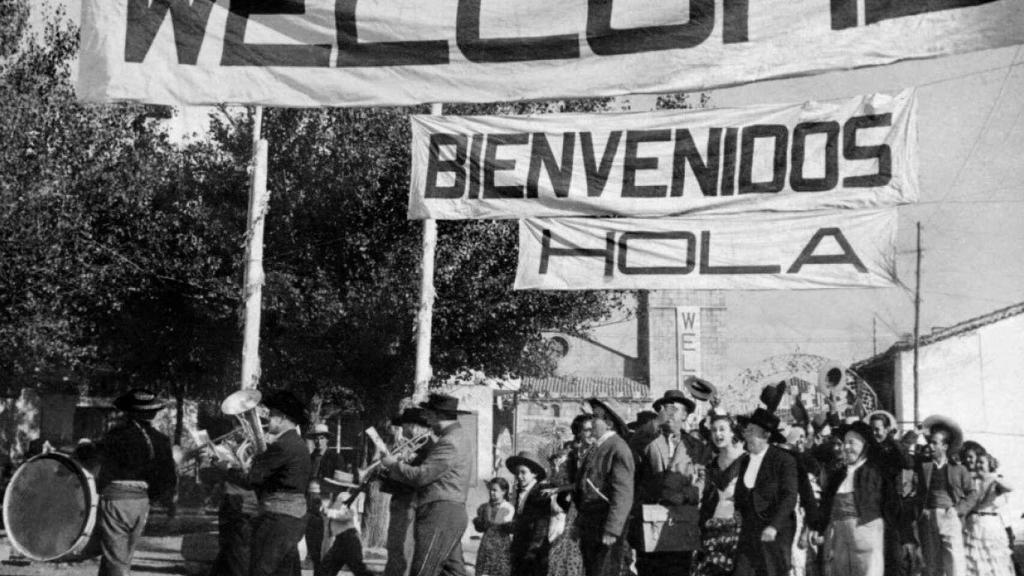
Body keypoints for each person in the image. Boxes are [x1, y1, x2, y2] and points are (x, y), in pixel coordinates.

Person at [219, 390, 311, 576]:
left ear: (282, 418)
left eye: (272, 415)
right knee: (285, 572)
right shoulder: (296, 443)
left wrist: (225, 467)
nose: (267, 419)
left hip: (278, 517)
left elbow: (250, 480)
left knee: (260, 570)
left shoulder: (282, 445)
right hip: (292, 518)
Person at [381, 393, 473, 576]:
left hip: (440, 514)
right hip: (448, 514)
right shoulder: (457, 437)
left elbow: (422, 476)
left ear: (439, 415)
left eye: (429, 416)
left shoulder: (450, 441)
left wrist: (393, 465)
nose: (428, 423)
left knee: (423, 571)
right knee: (453, 572)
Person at [94, 389, 178, 576]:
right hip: (141, 502)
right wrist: (153, 499)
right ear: (153, 413)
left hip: (117, 501)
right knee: (124, 555)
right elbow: (167, 477)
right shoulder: (161, 440)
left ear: (128, 412)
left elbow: (96, 460)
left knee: (116, 558)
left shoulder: (115, 435)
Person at [631, 390, 710, 576]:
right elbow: (634, 442)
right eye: (666, 409)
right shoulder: (649, 440)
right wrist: (656, 422)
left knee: (679, 569)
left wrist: (685, 496)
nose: (670, 414)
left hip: (681, 520)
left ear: (685, 415)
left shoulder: (696, 446)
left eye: (675, 409)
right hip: (650, 520)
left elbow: (703, 480)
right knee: (648, 570)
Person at [815, 421, 887, 576]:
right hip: (839, 535)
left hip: (866, 532)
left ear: (865, 445)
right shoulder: (838, 475)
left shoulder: (876, 471)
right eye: (844, 443)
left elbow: (890, 504)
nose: (846, 447)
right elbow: (827, 503)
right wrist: (818, 527)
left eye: (851, 443)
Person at [734, 407, 799, 576]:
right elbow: (742, 491)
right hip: (750, 530)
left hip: (774, 531)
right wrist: (738, 510)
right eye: (747, 431)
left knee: (772, 571)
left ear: (766, 435)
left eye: (752, 431)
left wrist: (774, 526)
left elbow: (789, 496)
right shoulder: (745, 461)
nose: (746, 435)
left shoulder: (784, 460)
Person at [574, 397, 634, 576]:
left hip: (605, 522)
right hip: (591, 522)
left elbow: (623, 493)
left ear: (609, 423)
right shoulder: (598, 447)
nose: (591, 422)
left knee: (604, 570)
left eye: (595, 417)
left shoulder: (618, 448)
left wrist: (612, 529)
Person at [915, 415, 978, 576]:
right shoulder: (923, 465)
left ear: (945, 446)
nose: (930, 446)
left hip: (950, 516)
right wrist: (915, 434)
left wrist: (957, 510)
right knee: (932, 564)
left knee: (954, 561)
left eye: (934, 443)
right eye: (930, 442)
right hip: (928, 517)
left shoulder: (959, 469)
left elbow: (972, 493)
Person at [382, 407, 435, 576]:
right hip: (401, 501)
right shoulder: (411, 446)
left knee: (402, 547)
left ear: (413, 426)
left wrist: (395, 465)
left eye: (404, 426)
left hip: (410, 502)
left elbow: (416, 478)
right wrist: (386, 470)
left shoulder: (426, 448)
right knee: (394, 547)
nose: (402, 430)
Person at [692, 412, 746, 576]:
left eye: (722, 429)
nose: (718, 434)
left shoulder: (745, 461)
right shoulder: (712, 464)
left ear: (732, 432)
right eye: (714, 430)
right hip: (713, 528)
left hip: (739, 529)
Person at [866, 411, 914, 576]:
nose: (874, 433)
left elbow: (907, 463)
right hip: (871, 505)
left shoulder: (893, 447)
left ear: (886, 429)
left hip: (891, 506)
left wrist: (893, 441)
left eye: (878, 429)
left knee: (894, 556)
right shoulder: (868, 449)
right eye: (872, 429)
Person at [964, 449, 1014, 576]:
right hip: (972, 524)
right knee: (973, 559)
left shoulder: (995, 481)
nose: (978, 465)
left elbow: (1010, 487)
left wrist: (993, 478)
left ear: (989, 465)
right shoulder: (972, 480)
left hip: (990, 524)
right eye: (977, 462)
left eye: (982, 462)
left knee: (992, 558)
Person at [317, 470, 372, 576]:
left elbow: (346, 514)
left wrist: (328, 512)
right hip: (343, 538)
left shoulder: (343, 496)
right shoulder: (340, 497)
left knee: (327, 569)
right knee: (327, 569)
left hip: (348, 538)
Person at [508, 451, 554, 576]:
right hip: (520, 547)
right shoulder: (519, 491)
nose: (519, 476)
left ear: (534, 473)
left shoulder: (540, 493)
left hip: (534, 550)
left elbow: (541, 525)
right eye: (517, 473)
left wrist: (532, 551)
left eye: (523, 472)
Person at [306, 422, 341, 575]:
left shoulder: (335, 458)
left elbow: (341, 485)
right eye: (316, 438)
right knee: (312, 542)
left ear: (327, 439)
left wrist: (333, 506)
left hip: (327, 502)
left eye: (321, 438)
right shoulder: (309, 458)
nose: (318, 441)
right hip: (310, 503)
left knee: (326, 544)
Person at [474, 477, 514, 576]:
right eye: (490, 490)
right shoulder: (484, 507)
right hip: (486, 543)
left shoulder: (508, 507)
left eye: (495, 490)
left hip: (501, 545)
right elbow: (481, 527)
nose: (491, 492)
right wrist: (479, 522)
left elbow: (502, 523)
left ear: (504, 491)